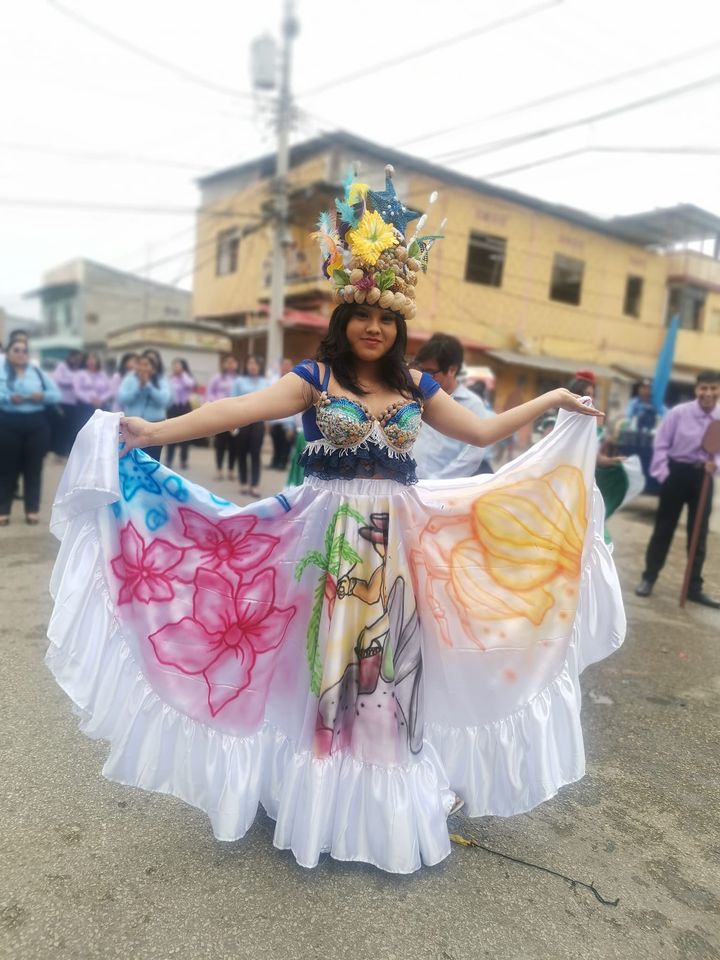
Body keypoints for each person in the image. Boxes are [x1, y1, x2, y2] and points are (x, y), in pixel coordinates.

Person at [46, 164, 623, 874]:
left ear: (398, 327)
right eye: (362, 316)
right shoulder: (316, 380)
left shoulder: (417, 387)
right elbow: (237, 410)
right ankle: (314, 782)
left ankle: (381, 788)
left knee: (389, 666)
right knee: (317, 659)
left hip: (396, 546)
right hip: (325, 540)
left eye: (386, 319)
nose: (374, 327)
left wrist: (554, 401)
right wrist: (153, 431)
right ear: (343, 322)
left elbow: (481, 431)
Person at [635, 370, 720, 607]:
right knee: (664, 528)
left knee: (698, 534)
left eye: (713, 388)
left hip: (704, 477)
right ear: (696, 389)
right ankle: (649, 577)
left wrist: (716, 465)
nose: (708, 393)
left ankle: (693, 587)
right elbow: (661, 444)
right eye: (704, 388)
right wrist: (664, 475)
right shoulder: (678, 413)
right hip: (676, 473)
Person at [412, 334, 495, 478]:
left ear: (452, 370)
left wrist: (437, 483)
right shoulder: (415, 396)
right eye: (421, 370)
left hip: (443, 487)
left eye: (430, 372)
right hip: (409, 484)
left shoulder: (472, 404)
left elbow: (472, 456)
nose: (423, 377)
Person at [0, 335, 61, 525]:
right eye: (16, 350)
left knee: (34, 467)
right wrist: (8, 398)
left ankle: (32, 509)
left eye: (24, 351)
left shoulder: (37, 372)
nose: (21, 354)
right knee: (7, 468)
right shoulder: (2, 370)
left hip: (36, 423)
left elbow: (56, 395)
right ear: (8, 353)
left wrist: (41, 396)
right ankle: (3, 510)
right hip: (8, 421)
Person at [116, 353, 170, 461]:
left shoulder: (160, 379)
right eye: (140, 364)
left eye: (146, 365)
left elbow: (164, 400)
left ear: (153, 368)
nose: (142, 368)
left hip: (155, 425)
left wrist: (149, 386)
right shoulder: (130, 379)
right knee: (131, 458)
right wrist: (138, 388)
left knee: (152, 460)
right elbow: (122, 398)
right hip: (132, 426)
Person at [233, 354, 269, 497]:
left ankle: (254, 484)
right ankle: (243, 482)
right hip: (241, 421)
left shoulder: (265, 382)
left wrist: (268, 422)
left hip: (258, 421)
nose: (253, 366)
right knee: (241, 452)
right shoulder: (239, 381)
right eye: (250, 363)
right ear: (246, 366)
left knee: (255, 453)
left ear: (260, 366)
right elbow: (232, 400)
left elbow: (269, 403)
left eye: (255, 363)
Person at [207, 354, 240, 481]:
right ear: (224, 364)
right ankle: (219, 470)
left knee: (234, 444)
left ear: (237, 364)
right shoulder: (217, 377)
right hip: (220, 413)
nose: (230, 365)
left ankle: (231, 469)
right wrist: (217, 403)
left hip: (235, 414)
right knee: (220, 443)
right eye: (228, 362)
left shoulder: (239, 378)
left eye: (233, 362)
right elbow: (209, 392)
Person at [165, 358, 196, 471]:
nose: (176, 368)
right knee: (170, 434)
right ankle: (169, 459)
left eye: (179, 366)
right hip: (173, 408)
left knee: (185, 434)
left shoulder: (186, 377)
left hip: (184, 407)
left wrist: (182, 375)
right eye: (175, 365)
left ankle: (184, 460)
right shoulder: (170, 378)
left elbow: (190, 385)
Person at [52, 349, 83, 456]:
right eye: (75, 358)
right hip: (64, 402)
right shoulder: (62, 367)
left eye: (79, 359)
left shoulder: (79, 369)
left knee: (73, 427)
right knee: (63, 427)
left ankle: (70, 450)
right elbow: (58, 380)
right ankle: (59, 451)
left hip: (76, 403)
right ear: (70, 357)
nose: (77, 361)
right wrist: (74, 381)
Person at [268, 358, 297, 471]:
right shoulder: (273, 380)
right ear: (280, 366)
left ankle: (282, 463)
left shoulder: (295, 381)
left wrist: (292, 425)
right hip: (274, 418)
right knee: (276, 442)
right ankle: (275, 461)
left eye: (288, 365)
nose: (286, 367)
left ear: (291, 367)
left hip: (289, 420)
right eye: (284, 365)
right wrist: (268, 421)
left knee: (286, 443)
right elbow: (269, 401)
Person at [74, 352, 112, 429]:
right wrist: (90, 400)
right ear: (85, 361)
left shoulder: (102, 374)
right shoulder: (80, 374)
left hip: (101, 406)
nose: (91, 361)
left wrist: (101, 399)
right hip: (85, 407)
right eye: (89, 359)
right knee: (87, 428)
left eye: (93, 358)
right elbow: (77, 391)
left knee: (101, 428)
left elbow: (110, 390)